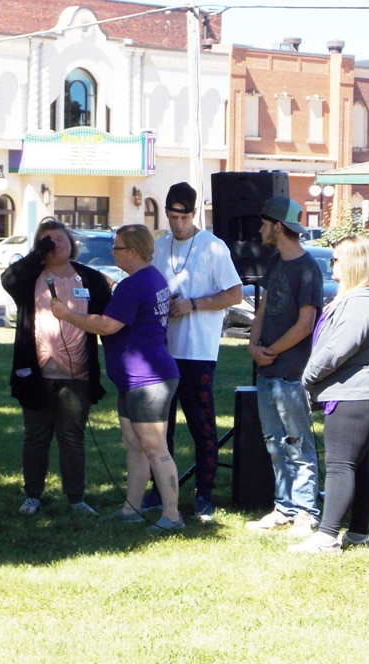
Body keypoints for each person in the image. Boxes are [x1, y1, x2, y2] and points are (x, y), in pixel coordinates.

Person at [51, 224, 184, 533]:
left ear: (133, 252)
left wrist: (67, 314)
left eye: (117, 247)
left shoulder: (136, 284)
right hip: (133, 379)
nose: (113, 252)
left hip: (149, 380)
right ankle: (131, 510)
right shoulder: (149, 278)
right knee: (134, 444)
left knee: (154, 447)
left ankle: (172, 515)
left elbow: (107, 325)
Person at [1, 218, 113, 516]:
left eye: (60, 239)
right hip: (36, 373)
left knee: (73, 437)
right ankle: (32, 496)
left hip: (78, 374)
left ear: (71, 243)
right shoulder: (29, 278)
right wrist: (39, 252)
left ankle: (76, 498)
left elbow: (109, 319)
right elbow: (8, 278)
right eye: (47, 240)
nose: (55, 245)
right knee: (36, 437)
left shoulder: (89, 278)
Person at [290, 234, 369, 553]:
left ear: (352, 264)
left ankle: (326, 538)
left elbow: (337, 350)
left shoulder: (362, 303)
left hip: (356, 395)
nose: (331, 264)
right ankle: (358, 534)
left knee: (339, 465)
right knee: (357, 464)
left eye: (335, 260)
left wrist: (307, 377)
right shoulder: (360, 299)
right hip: (359, 393)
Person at [148, 181, 242, 522]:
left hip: (198, 351)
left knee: (202, 425)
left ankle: (204, 494)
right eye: (172, 217)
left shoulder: (213, 247)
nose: (178, 224)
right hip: (163, 350)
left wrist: (193, 304)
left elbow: (235, 294)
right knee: (160, 427)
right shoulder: (160, 245)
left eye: (184, 217)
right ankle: (161, 490)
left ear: (195, 213)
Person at [246, 196, 323, 536]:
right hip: (267, 370)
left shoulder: (308, 268)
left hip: (292, 373)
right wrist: (253, 346)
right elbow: (262, 310)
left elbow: (305, 325)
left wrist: (271, 351)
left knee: (297, 443)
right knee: (275, 443)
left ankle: (306, 512)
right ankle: (284, 508)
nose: (260, 230)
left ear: (278, 227)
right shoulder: (275, 262)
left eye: (265, 224)